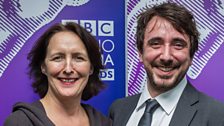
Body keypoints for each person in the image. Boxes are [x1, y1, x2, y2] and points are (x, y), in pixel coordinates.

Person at [109, 2, 224, 126]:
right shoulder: (118, 110)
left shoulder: (217, 115)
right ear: (140, 53)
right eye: (155, 43)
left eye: (178, 45)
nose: (166, 56)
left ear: (191, 56)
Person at [4, 22, 112, 126]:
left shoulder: (104, 123)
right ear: (43, 67)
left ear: (91, 68)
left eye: (79, 58)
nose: (68, 69)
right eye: (57, 58)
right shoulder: (20, 122)